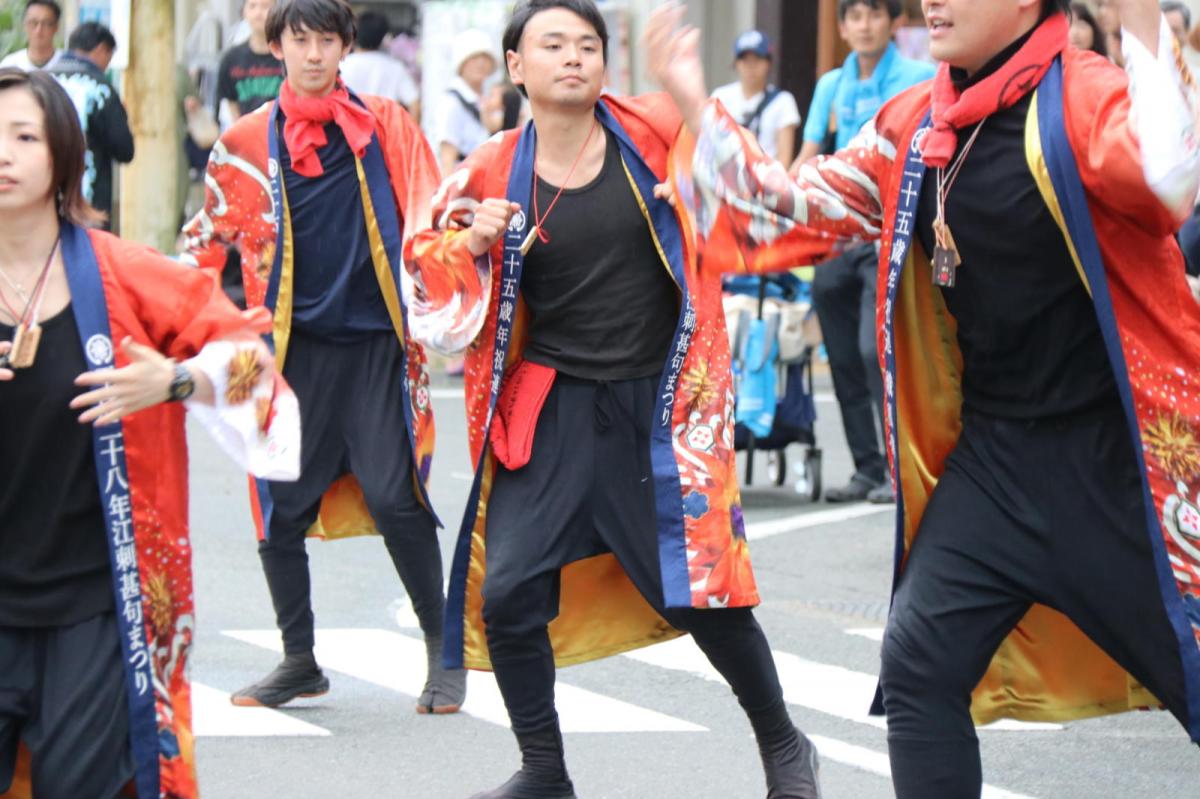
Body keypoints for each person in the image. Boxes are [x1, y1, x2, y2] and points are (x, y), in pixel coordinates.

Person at [649, 0, 1200, 796]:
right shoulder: (913, 126)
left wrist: (1144, 24)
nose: (930, 3)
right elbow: (791, 199)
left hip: (1122, 467)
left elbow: (1166, 177)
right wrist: (696, 103)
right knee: (917, 664)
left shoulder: (1083, 96)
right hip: (994, 461)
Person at [405, 2, 821, 797]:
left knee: (700, 595)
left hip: (657, 408)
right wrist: (472, 243)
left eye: (588, 46)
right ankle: (544, 769)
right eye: (553, 45)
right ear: (516, 66)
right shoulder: (491, 168)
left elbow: (751, 182)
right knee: (508, 591)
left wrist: (693, 112)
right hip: (551, 406)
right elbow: (424, 281)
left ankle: (784, 744)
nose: (573, 58)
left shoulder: (654, 129)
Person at [0, 66, 298, 799]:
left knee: (81, 783)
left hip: (93, 602)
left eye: (24, 136)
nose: (2, 154)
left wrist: (175, 381)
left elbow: (257, 373)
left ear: (64, 154)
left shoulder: (124, 274)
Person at [181, 0, 466, 714]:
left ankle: (444, 651)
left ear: (345, 47)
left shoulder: (386, 124)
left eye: (326, 40)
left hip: (374, 346)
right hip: (287, 354)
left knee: (396, 496)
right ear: (275, 46)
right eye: (299, 39)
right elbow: (202, 244)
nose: (313, 53)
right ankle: (299, 660)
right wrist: (171, 319)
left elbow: (433, 215)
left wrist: (461, 259)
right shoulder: (244, 142)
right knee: (279, 511)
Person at [795, 0, 934, 504]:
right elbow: (810, 154)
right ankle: (866, 467)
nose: (864, 25)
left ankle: (900, 469)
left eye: (875, 15)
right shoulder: (831, 84)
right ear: (842, 27)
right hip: (839, 238)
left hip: (890, 236)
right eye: (854, 16)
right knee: (840, 352)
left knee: (875, 351)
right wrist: (775, 201)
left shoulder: (920, 76)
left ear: (894, 23)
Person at [48, 22, 133, 228]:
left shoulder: (42, 83)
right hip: (89, 205)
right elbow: (124, 150)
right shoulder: (100, 88)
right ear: (102, 49)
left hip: (45, 203)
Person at [710, 30, 801, 164]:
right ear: (736, 63)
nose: (751, 66)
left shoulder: (783, 101)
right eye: (745, 60)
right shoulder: (720, 97)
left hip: (766, 174)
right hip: (725, 172)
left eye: (757, 59)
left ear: (768, 63)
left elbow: (784, 158)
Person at [435, 28, 497, 177]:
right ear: (461, 62)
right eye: (474, 58)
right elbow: (447, 158)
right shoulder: (451, 102)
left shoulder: (487, 98)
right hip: (462, 181)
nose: (480, 63)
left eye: (485, 57)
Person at [340, 10, 419, 116]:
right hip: (386, 125)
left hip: (348, 124)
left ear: (354, 34)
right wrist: (410, 126)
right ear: (383, 36)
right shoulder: (395, 67)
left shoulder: (342, 65)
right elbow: (415, 104)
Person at [216, 0, 284, 122]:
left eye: (265, 6)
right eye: (252, 6)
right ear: (244, 12)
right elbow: (231, 102)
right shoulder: (231, 58)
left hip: (283, 129)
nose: (258, 13)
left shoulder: (288, 55)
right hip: (246, 128)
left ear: (277, 11)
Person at [0, 0, 61, 72]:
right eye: (33, 23)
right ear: (24, 25)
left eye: (46, 23)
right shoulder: (9, 65)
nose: (38, 30)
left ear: (56, 27)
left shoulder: (69, 63)